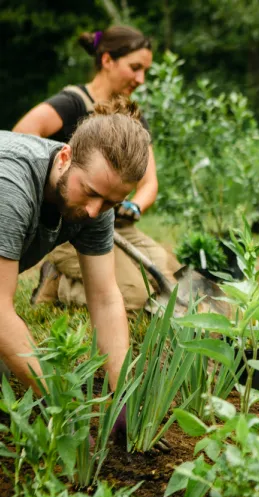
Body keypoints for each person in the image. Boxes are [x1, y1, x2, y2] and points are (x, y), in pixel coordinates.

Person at [13, 25, 178, 310]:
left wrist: (134, 206)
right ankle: (60, 283)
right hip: (71, 223)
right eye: (135, 67)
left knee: (169, 276)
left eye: (145, 71)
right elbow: (20, 139)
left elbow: (149, 182)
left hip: (112, 226)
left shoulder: (132, 120)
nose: (140, 79)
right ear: (107, 61)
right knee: (134, 296)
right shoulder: (72, 103)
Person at [0, 98, 150, 390]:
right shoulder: (10, 185)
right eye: (90, 192)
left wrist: (122, 394)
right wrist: (62, 405)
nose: (95, 211)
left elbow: (105, 299)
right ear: (65, 157)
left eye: (110, 202)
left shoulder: (97, 203)